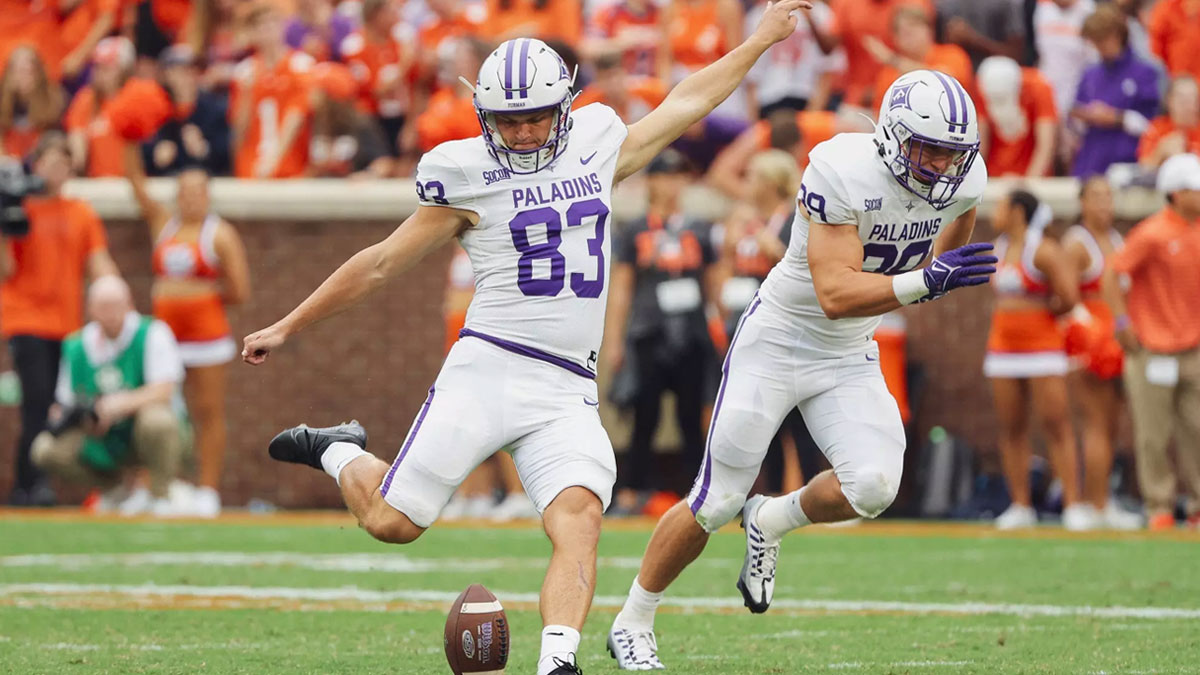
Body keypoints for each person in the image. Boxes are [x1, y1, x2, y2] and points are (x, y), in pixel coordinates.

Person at [241, 6, 811, 675]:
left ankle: (557, 662)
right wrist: (288, 323)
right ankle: (339, 449)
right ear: (483, 114)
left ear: (566, 104)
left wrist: (762, 39)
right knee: (393, 522)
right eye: (507, 119)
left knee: (580, 514)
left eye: (536, 114)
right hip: (486, 368)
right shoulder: (463, 172)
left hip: (566, 383)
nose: (522, 130)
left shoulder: (598, 141)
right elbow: (380, 262)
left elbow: (687, 99)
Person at [608, 69, 995, 669]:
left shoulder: (963, 176)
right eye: (928, 150)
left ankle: (771, 517)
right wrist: (927, 280)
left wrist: (939, 271)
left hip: (848, 351)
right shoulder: (841, 168)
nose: (941, 167)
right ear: (892, 135)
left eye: (951, 154)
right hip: (781, 340)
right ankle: (633, 619)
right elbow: (835, 292)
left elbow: (954, 239)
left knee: (874, 485)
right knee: (714, 500)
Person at [124, 140, 251, 518]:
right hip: (165, 339)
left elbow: (240, 290)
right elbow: (135, 185)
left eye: (197, 192)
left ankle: (207, 489)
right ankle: (157, 484)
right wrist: (127, 138)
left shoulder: (220, 234)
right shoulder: (165, 224)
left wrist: (199, 294)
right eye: (183, 191)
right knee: (157, 410)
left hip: (207, 337)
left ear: (208, 195)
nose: (190, 198)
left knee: (207, 412)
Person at [1, 132, 120, 506]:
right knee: (37, 401)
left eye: (64, 162)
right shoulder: (21, 208)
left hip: (66, 324)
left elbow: (97, 261)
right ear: (36, 165)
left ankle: (33, 481)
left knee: (58, 403)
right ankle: (30, 483)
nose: (57, 170)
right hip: (26, 319)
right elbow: (5, 269)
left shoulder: (81, 211)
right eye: (50, 161)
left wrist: (116, 294)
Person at [604, 149, 721, 515]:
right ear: (651, 181)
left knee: (692, 417)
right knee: (644, 415)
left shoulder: (698, 229)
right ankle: (632, 490)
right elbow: (622, 288)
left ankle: (696, 494)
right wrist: (615, 340)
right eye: (665, 176)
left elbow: (715, 285)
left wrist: (722, 331)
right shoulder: (636, 229)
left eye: (678, 177)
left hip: (691, 332)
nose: (672, 184)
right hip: (649, 331)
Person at [31, 276, 186, 515]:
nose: (111, 313)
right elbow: (64, 400)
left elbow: (165, 389)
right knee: (44, 448)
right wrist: (76, 416)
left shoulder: (152, 332)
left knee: (158, 421)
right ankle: (117, 490)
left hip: (139, 430)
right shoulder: (75, 345)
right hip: (100, 437)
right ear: (90, 308)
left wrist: (119, 405)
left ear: (129, 304)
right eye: (104, 306)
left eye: (116, 305)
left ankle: (160, 494)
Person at [1103, 152, 1200, 531]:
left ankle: (1196, 505)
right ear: (1175, 193)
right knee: (1153, 435)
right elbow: (1114, 273)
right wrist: (1122, 320)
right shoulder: (1152, 232)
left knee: (1196, 429)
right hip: (1151, 349)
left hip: (1193, 349)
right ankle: (1159, 506)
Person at [983, 190, 1087, 530]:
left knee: (1056, 424)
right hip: (1003, 351)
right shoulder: (997, 248)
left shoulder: (1042, 249)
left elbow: (1068, 296)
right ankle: (1020, 504)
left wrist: (1039, 316)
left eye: (1000, 205)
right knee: (1011, 428)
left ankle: (1072, 504)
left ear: (1017, 211)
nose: (995, 212)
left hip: (1042, 349)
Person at [1062, 176, 1142, 529]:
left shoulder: (1117, 240)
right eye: (1096, 197)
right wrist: (1084, 341)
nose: (1104, 204)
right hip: (1089, 343)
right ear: (1082, 203)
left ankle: (1103, 503)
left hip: (1118, 341)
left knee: (1111, 426)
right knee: (1095, 424)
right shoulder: (1076, 243)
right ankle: (1090, 505)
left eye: (1109, 197)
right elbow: (1066, 298)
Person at [1070, 5, 1160, 178]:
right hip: (1091, 158)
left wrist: (1116, 117)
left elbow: (1153, 126)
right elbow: (1075, 111)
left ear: (1117, 35)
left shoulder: (1145, 72)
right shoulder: (1090, 73)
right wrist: (1084, 114)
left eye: (1102, 40)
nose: (1099, 47)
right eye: (1094, 41)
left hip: (1127, 159)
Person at [230, 4, 314, 179]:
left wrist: (273, 161)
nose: (267, 29)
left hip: (291, 165)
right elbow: (239, 130)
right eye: (260, 24)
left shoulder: (300, 64)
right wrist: (247, 95)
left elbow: (297, 115)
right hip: (252, 164)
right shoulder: (244, 71)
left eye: (272, 22)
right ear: (251, 32)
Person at [866, 5, 974, 108]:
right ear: (895, 39)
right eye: (900, 30)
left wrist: (893, 60)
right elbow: (881, 114)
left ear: (930, 30)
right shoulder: (889, 73)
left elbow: (946, 81)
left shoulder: (952, 53)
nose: (908, 32)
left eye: (914, 25)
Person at [976, 56, 1058, 177]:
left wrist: (1029, 183)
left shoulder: (1039, 86)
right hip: (996, 175)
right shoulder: (983, 86)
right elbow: (981, 143)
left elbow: (1046, 144)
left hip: (1033, 176)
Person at [64, 36, 135, 178]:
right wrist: (76, 160)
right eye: (97, 66)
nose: (100, 73)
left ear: (124, 69)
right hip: (97, 183)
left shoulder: (137, 97)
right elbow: (76, 138)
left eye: (108, 67)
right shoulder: (86, 99)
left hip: (133, 182)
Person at [0, 45, 64, 162]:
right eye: (17, 70)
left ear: (39, 73)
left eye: (28, 71)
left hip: (40, 162)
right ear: (8, 74)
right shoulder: (2, 100)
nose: (22, 77)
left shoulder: (54, 99)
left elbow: (54, 142)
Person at [1138, 75, 1200, 169]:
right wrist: (1161, 152)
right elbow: (1143, 167)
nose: (1189, 106)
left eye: (1193, 99)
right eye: (1183, 100)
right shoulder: (1156, 128)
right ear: (1169, 100)